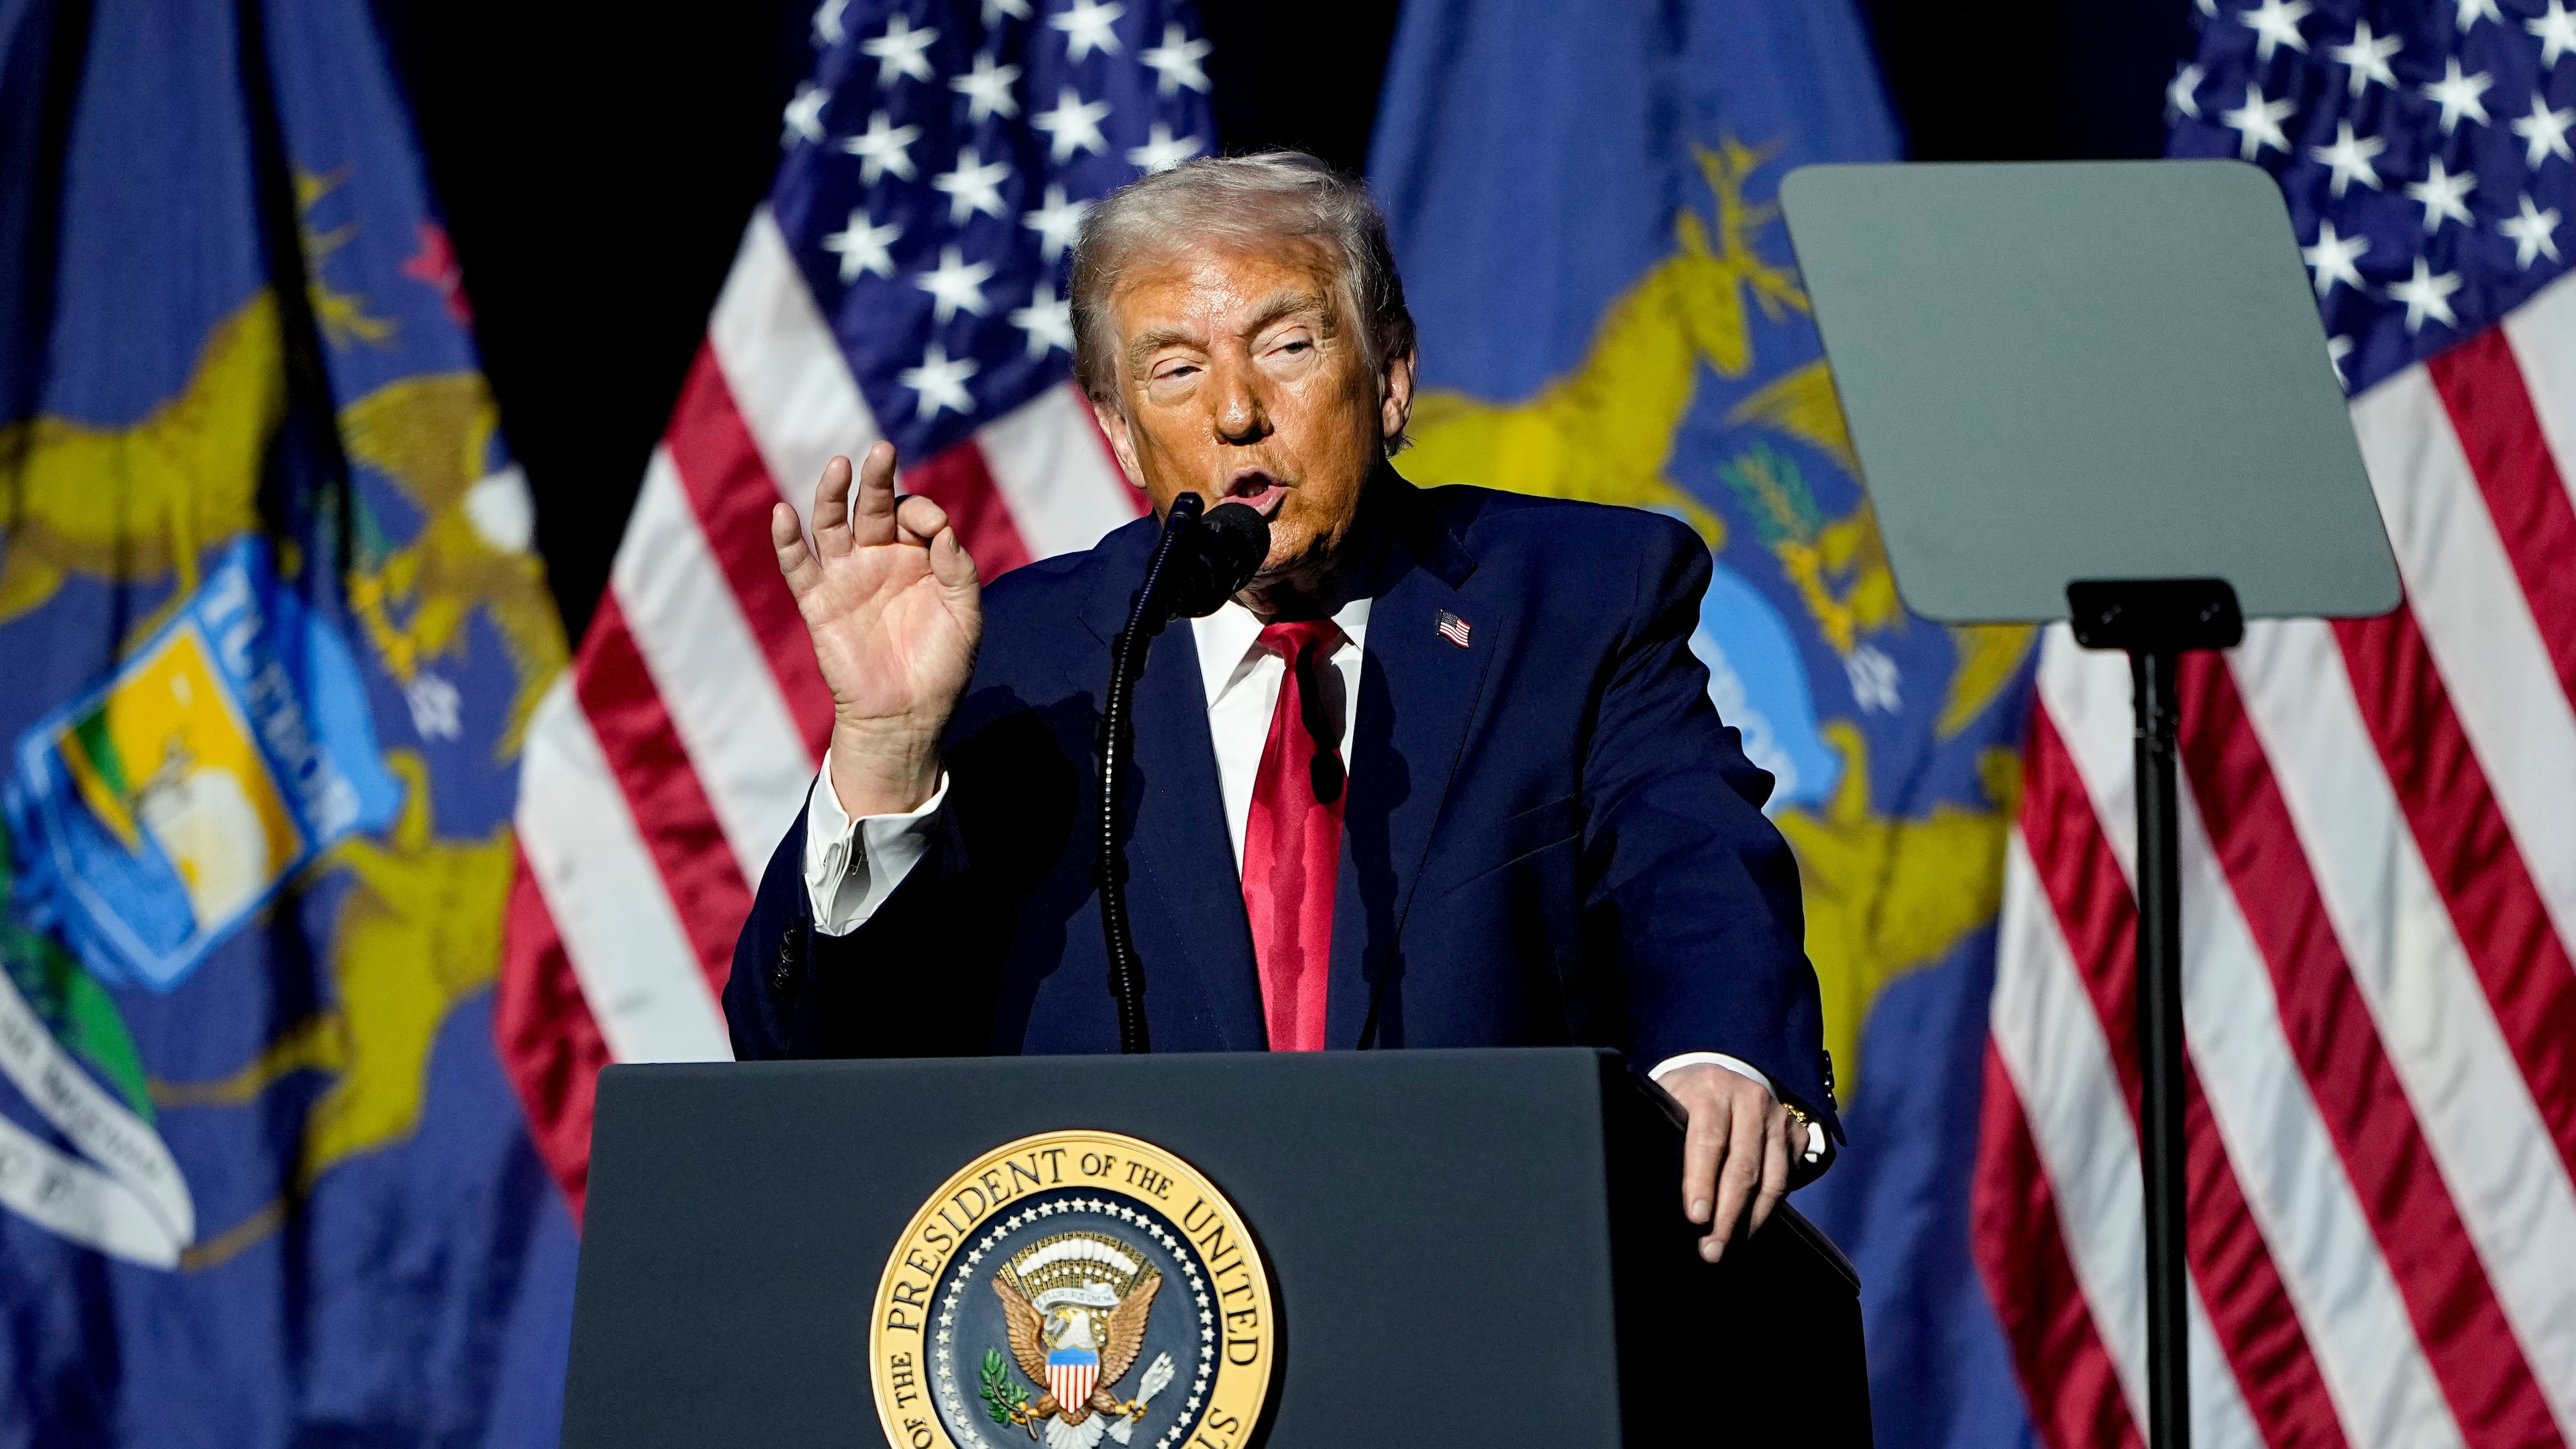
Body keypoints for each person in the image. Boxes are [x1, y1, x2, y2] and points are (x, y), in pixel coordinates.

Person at [727, 152, 1836, 1262]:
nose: (1238, 413)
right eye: (1173, 371)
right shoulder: (1016, 658)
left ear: (1391, 374)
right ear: (1117, 431)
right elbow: (807, 1068)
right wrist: (883, 752)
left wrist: (1718, 1057)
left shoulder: (1578, 600)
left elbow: (1693, 862)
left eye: (1288, 345)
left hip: (1491, 1283)